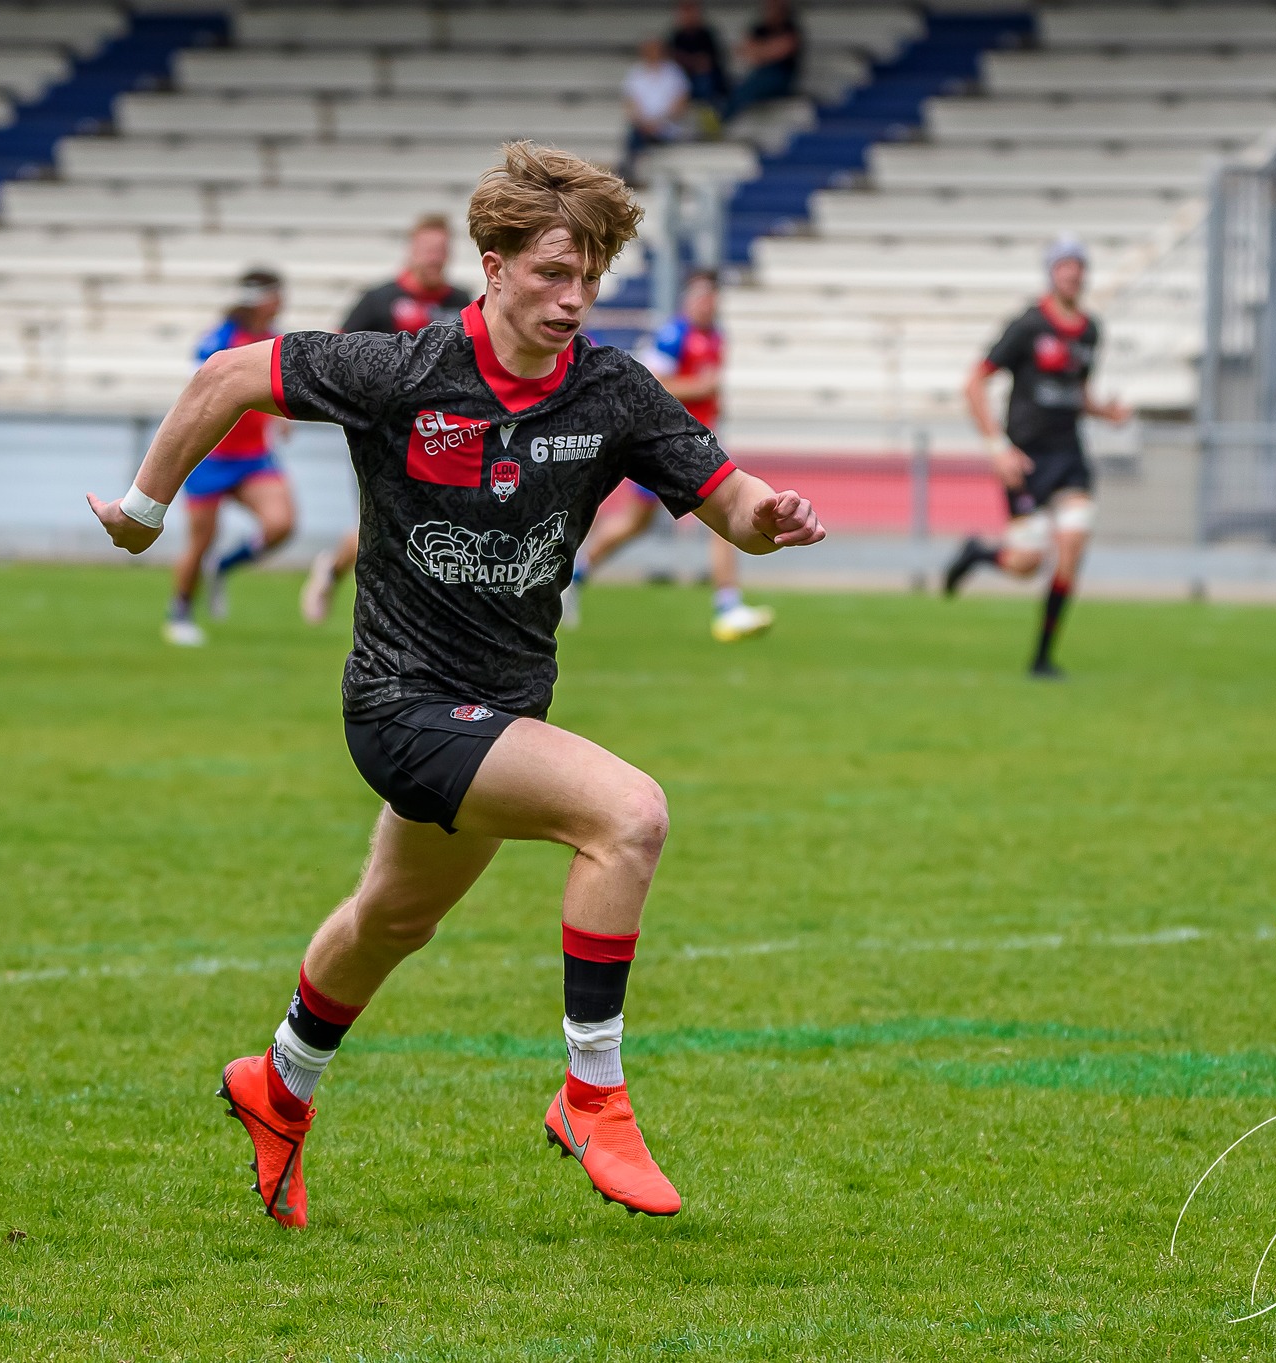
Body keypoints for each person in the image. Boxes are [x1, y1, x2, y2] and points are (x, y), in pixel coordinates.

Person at [87, 142, 825, 1225]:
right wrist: (146, 512)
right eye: (549, 275)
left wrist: (768, 520)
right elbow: (226, 376)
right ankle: (592, 1095)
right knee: (628, 817)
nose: (571, 300)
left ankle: (277, 1086)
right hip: (397, 705)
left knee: (389, 921)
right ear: (491, 264)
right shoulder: (404, 373)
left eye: (588, 279)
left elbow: (728, 500)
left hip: (500, 714)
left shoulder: (611, 390)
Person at [944, 235, 1130, 679]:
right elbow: (974, 383)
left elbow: (1076, 392)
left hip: (1069, 458)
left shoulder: (1090, 330)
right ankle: (977, 555)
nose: (1073, 273)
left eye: (1079, 265)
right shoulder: (1027, 326)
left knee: (1072, 543)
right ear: (1051, 273)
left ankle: (1042, 658)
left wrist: (1104, 411)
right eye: (1064, 265)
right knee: (1026, 564)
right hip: (1025, 461)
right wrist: (998, 448)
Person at [567, 270, 773, 642]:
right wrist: (700, 387)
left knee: (704, 518)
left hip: (697, 444)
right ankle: (575, 575)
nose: (707, 303)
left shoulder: (715, 337)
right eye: (701, 296)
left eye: (712, 296)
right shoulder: (674, 335)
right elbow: (652, 386)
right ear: (688, 300)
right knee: (644, 522)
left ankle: (727, 606)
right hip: (669, 447)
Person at [302, 216, 474, 626]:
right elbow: (337, 354)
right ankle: (341, 575)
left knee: (438, 521)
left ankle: (422, 612)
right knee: (384, 521)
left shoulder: (463, 299)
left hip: (444, 432)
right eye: (427, 249)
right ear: (412, 251)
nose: (434, 259)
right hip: (382, 433)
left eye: (441, 251)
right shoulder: (378, 300)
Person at [165, 268, 296, 646]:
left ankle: (224, 567)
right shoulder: (220, 339)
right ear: (262, 298)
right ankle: (180, 611)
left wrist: (280, 417)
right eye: (276, 293)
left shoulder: (274, 339)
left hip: (253, 456)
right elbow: (203, 389)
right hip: (211, 455)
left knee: (280, 524)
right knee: (200, 540)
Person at [622, 36, 692, 177]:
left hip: (667, 127)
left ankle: (631, 172)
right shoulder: (636, 73)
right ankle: (631, 172)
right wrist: (644, 123)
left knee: (641, 139)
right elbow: (630, 104)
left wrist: (658, 122)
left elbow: (680, 103)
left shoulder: (673, 72)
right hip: (643, 127)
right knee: (635, 136)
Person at [723, 0, 801, 124]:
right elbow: (744, 51)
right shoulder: (760, 28)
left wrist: (761, 51)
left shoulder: (789, 28)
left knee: (748, 89)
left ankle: (723, 120)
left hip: (780, 77)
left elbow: (781, 50)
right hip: (760, 73)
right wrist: (768, 50)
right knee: (738, 87)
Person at [668, 1, 728, 109]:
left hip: (707, 81)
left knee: (704, 82)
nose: (688, 16)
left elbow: (705, 63)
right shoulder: (676, 36)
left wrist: (686, 60)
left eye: (690, 11)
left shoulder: (707, 35)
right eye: (684, 12)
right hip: (684, 79)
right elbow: (673, 61)